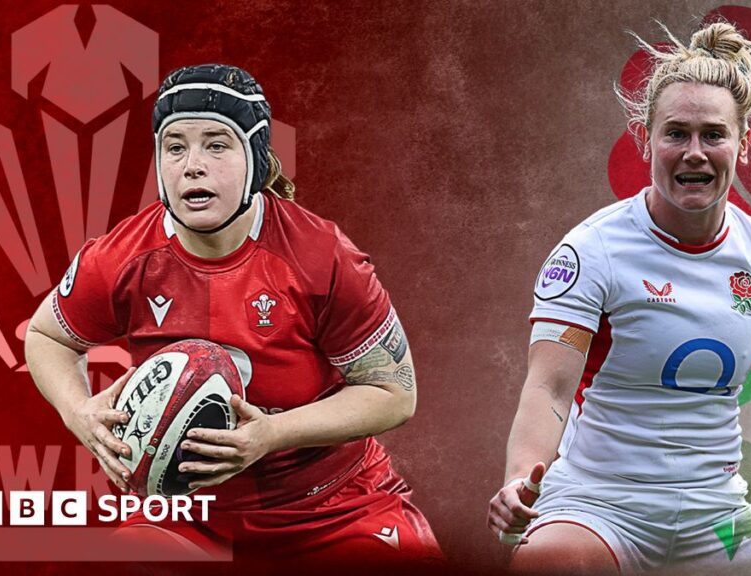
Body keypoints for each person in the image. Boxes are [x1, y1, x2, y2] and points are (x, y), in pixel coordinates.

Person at [487, 21, 751, 574]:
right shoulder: (591, 250)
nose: (694, 152)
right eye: (676, 133)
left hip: (716, 513)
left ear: (743, 142)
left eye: (713, 134)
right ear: (647, 139)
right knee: (547, 565)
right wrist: (519, 482)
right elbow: (549, 387)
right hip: (599, 504)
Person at [25, 63, 440, 565]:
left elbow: (394, 394)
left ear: (256, 157)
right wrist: (79, 413)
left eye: (216, 145)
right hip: (184, 517)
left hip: (331, 508)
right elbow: (47, 335)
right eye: (174, 147)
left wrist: (272, 435)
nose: (192, 165)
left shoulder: (321, 254)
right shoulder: (121, 257)